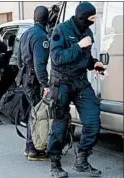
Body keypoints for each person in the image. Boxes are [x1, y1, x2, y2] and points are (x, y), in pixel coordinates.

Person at [47, 2, 103, 177]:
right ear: (82, 16)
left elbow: (85, 58)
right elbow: (57, 58)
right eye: (91, 18)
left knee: (93, 121)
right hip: (61, 83)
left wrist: (94, 64)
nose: (93, 21)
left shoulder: (87, 31)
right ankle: (55, 164)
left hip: (80, 82)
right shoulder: (61, 30)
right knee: (60, 125)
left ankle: (82, 160)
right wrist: (78, 45)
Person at [17, 6, 50, 161]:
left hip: (25, 76)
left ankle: (29, 147)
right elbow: (39, 64)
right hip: (34, 78)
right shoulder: (41, 36)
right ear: (47, 19)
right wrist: (45, 84)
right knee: (37, 113)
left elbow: (17, 59)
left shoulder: (26, 33)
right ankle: (33, 149)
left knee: (32, 111)